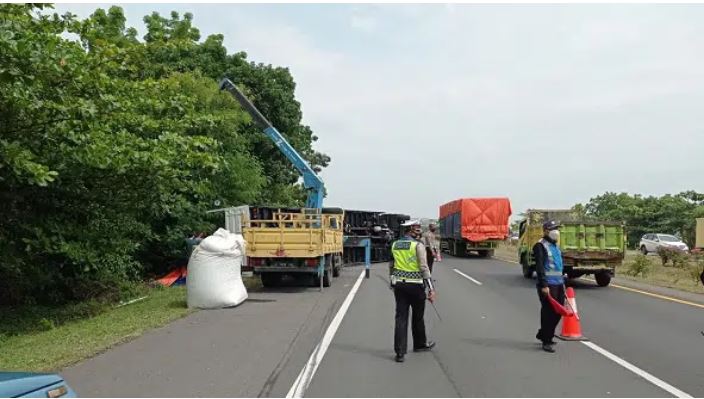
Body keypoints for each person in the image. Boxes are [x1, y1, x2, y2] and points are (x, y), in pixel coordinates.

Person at [389, 219, 436, 363]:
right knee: (418, 317)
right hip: (416, 286)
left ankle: (400, 353)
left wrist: (392, 283)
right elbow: (424, 267)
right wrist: (431, 289)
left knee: (401, 318)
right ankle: (420, 344)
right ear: (410, 230)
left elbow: (391, 265)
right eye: (416, 229)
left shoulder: (395, 244)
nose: (419, 231)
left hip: (400, 286)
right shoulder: (418, 246)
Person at [533, 220, 566, 353]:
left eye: (557, 228)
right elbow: (540, 267)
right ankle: (546, 340)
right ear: (546, 231)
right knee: (548, 313)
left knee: (558, 312)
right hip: (547, 285)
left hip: (558, 283)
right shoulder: (540, 246)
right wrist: (544, 285)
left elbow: (558, 266)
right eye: (553, 229)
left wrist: (563, 281)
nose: (556, 231)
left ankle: (543, 333)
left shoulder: (555, 246)